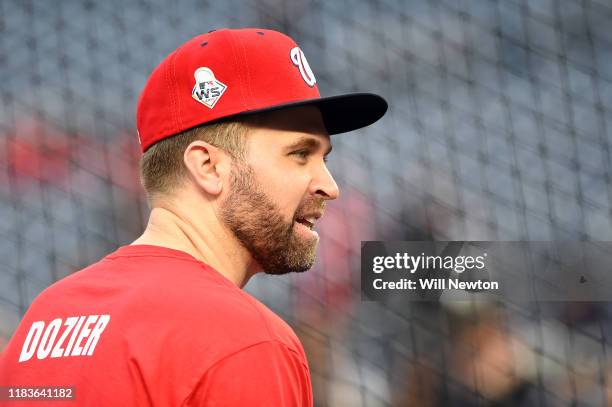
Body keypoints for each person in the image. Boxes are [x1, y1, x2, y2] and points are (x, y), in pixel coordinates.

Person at [0, 28, 387, 406]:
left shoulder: (46, 319)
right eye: (300, 154)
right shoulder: (246, 340)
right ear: (208, 167)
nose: (329, 185)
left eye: (325, 158)